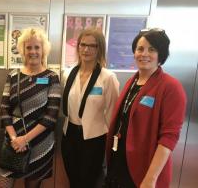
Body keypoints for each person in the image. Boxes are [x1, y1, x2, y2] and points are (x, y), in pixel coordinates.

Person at [105, 28, 186, 188]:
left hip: (143, 172)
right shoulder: (132, 82)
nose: (144, 54)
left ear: (160, 54)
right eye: (140, 49)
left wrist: (151, 179)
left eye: (152, 49)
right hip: (119, 165)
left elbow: (169, 137)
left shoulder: (170, 87)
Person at [0, 28, 61, 188]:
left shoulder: (51, 77)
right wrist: (15, 139)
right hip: (12, 140)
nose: (33, 51)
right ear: (22, 50)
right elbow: (4, 109)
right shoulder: (13, 75)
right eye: (29, 47)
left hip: (40, 142)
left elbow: (51, 116)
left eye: (37, 47)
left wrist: (25, 139)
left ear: (43, 50)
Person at [61, 28, 120, 188]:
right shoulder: (68, 73)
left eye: (92, 46)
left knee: (88, 182)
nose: (86, 49)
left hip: (94, 139)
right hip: (69, 135)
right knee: (73, 180)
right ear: (78, 46)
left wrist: (109, 143)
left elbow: (113, 113)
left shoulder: (108, 77)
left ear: (99, 48)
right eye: (83, 44)